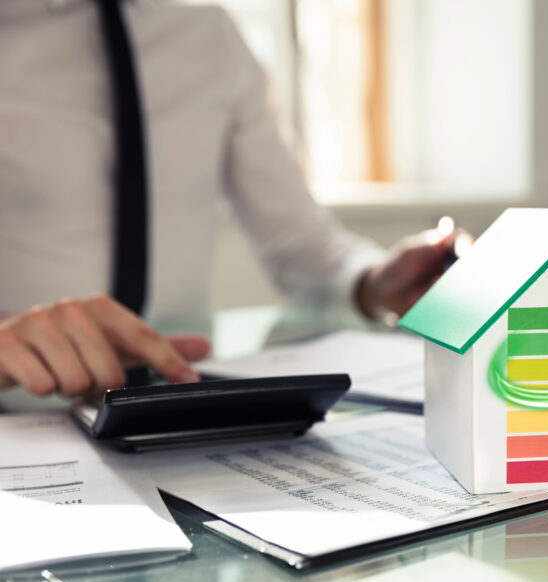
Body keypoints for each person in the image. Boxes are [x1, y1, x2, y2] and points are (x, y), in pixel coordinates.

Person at [0, 0, 457, 399]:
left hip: (188, 401)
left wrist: (374, 283)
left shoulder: (210, 38)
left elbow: (298, 243)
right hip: (20, 417)